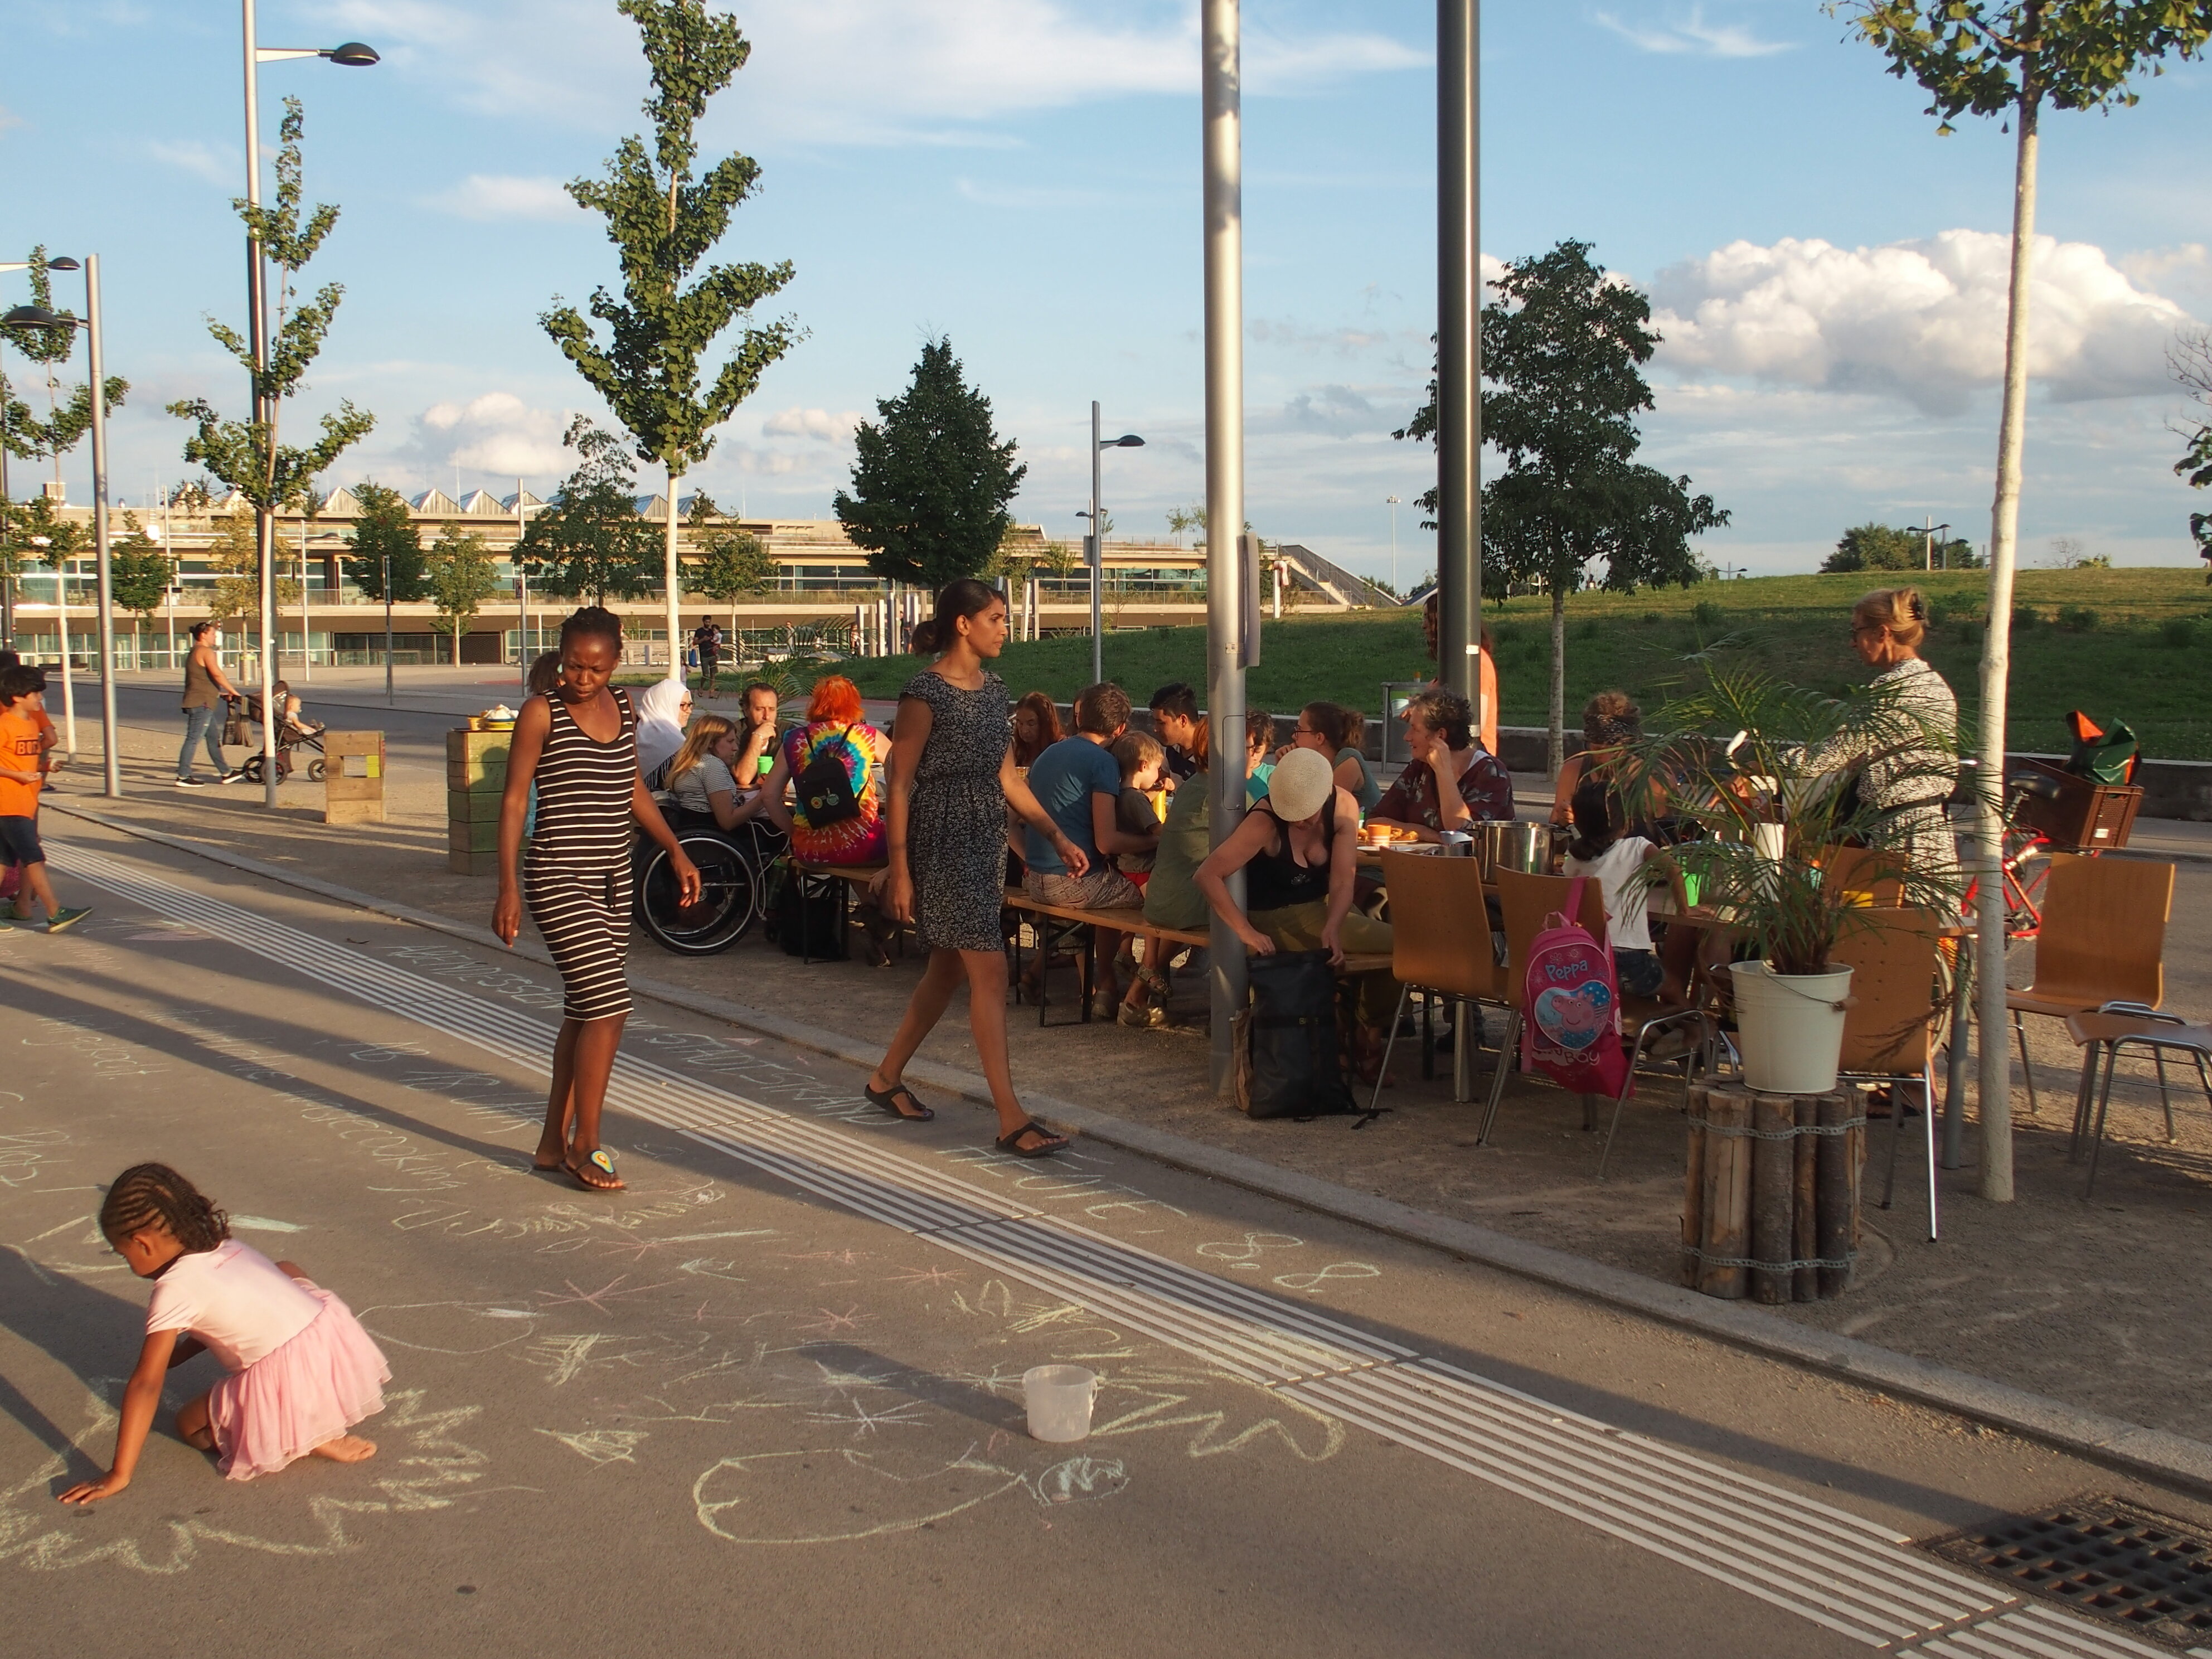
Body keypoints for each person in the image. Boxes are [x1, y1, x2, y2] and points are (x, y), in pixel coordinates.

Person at [866, 579, 1086, 1157]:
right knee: (988, 972)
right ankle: (1010, 1117)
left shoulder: (996, 692)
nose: (1004, 628)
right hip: (938, 839)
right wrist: (899, 868)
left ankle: (884, 1078)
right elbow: (899, 780)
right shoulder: (925, 692)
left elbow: (1008, 778)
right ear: (962, 624)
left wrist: (1055, 835)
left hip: (983, 839)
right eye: (995, 618)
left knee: (946, 972)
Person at [494, 606, 701, 1192]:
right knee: (609, 1005)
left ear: (615, 661)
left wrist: (676, 850)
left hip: (613, 878)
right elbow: (513, 802)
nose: (582, 678)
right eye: (572, 666)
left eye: (594, 667)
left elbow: (630, 785)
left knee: (584, 1011)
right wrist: (507, 885)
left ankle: (548, 1143)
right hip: (558, 877)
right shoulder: (541, 712)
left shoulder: (626, 706)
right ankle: (586, 1143)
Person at [58, 1163, 389, 1502]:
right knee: (284, 1269)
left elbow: (147, 1384)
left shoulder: (173, 1291)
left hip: (290, 1377)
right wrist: (181, 1353)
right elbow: (228, 1312)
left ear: (143, 1244)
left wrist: (118, 1474)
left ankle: (305, 1433)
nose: (127, 1264)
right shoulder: (224, 1245)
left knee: (190, 1426)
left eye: (123, 1254)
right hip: (331, 1344)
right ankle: (312, 1411)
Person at [1194, 745, 1397, 1076]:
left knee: (1397, 942)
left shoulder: (1343, 805)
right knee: (1400, 944)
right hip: (1276, 912)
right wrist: (1246, 931)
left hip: (1320, 905)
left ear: (1325, 796)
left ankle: (1362, 1029)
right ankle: (1364, 1034)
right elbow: (1207, 875)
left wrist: (1333, 925)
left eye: (1306, 811)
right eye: (1292, 811)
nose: (1300, 820)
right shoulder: (1264, 822)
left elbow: (1344, 881)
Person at [1807, 585, 1962, 889]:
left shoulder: (1892, 690)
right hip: (1930, 835)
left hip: (1900, 839)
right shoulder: (1932, 682)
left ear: (1882, 633)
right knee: (1930, 933)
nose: (1853, 643)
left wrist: (1758, 765)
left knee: (1890, 932)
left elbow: (1829, 757)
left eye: (1856, 631)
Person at [1562, 777, 1687, 1002]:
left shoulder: (1575, 857)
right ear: (1626, 821)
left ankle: (1648, 1029)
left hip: (1586, 958)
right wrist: (1685, 909)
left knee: (1635, 986)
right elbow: (1674, 869)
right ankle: (1691, 1029)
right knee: (1675, 985)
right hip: (1628, 960)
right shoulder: (1637, 847)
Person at [0, 666, 89, 933]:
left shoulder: (29, 724)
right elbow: (13, 767)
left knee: (4, 861)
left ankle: (46, 910)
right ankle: (55, 911)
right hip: (8, 802)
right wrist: (18, 775)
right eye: (35, 694)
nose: (40, 699)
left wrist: (45, 767)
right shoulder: (4, 725)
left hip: (25, 803)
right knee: (34, 857)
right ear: (17, 696)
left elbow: (23, 759)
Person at [760, 674, 884, 865]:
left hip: (810, 850)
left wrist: (796, 834)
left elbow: (768, 796)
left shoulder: (795, 739)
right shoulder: (866, 735)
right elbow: (906, 772)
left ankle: (865, 897)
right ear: (854, 703)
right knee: (907, 850)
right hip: (862, 845)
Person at [1369, 687, 1515, 840]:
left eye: (1415, 729)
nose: (1407, 737)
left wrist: (1443, 772)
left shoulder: (1490, 774)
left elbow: (1462, 834)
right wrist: (1422, 832)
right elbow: (1375, 821)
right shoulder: (1419, 767)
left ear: (1440, 736)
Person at [661, 712, 785, 835]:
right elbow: (728, 822)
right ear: (710, 742)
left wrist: (757, 787)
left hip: (696, 829)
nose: (735, 748)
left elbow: (718, 798)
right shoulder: (711, 766)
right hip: (716, 835)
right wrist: (764, 795)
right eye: (730, 741)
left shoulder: (693, 762)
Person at [1550, 691, 1653, 824]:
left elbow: (1663, 835)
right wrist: (1563, 820)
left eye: (1613, 751)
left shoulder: (1651, 779)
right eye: (1597, 749)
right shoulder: (1573, 771)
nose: (1605, 759)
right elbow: (1553, 826)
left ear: (1629, 744)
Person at [1423, 592, 1500, 758]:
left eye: (1428, 618)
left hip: (1470, 761)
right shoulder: (1455, 664)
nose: (1424, 626)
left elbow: (1476, 719)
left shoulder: (1476, 663)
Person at [176, 620, 242, 788]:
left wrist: (220, 693)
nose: (215, 637)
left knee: (213, 739)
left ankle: (226, 772)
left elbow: (200, 681)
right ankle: (183, 776)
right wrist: (234, 692)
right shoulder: (206, 651)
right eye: (213, 634)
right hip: (201, 704)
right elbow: (217, 675)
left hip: (201, 701)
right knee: (193, 739)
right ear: (203, 635)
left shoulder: (194, 651)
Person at [1291, 701, 1381, 814]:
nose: (1294, 736)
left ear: (1319, 738)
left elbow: (1321, 812)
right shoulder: (1318, 766)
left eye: (1299, 730)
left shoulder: (1348, 760)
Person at [1109, 730, 1166, 886]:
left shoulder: (1120, 794)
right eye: (1157, 769)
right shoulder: (1136, 799)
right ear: (1144, 766)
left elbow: (1139, 808)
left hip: (1124, 865)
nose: (1158, 774)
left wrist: (1158, 790)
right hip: (1142, 868)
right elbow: (1159, 830)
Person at [633, 677, 692, 784]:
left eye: (690, 705)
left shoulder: (635, 734)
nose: (688, 711)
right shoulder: (674, 742)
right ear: (664, 705)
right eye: (682, 705)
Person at [1147, 682, 1205, 784]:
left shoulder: (1209, 756)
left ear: (1183, 721)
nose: (1156, 729)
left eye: (1161, 723)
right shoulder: (1170, 749)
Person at [736, 681, 783, 788]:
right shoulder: (733, 732)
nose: (767, 716)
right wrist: (757, 738)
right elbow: (744, 778)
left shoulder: (787, 731)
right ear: (747, 710)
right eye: (759, 709)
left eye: (772, 709)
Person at [1011, 691, 1064, 768]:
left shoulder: (1060, 749)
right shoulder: (1016, 748)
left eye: (1031, 724)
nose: (1025, 730)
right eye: (1020, 723)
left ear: (1046, 723)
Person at [692, 619, 724, 695]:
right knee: (706, 675)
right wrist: (703, 639)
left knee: (713, 674)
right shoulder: (699, 631)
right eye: (706, 622)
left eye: (709, 622)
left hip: (712, 655)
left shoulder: (712, 631)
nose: (708, 623)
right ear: (703, 622)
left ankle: (712, 692)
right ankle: (701, 687)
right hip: (704, 655)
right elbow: (695, 642)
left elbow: (717, 640)